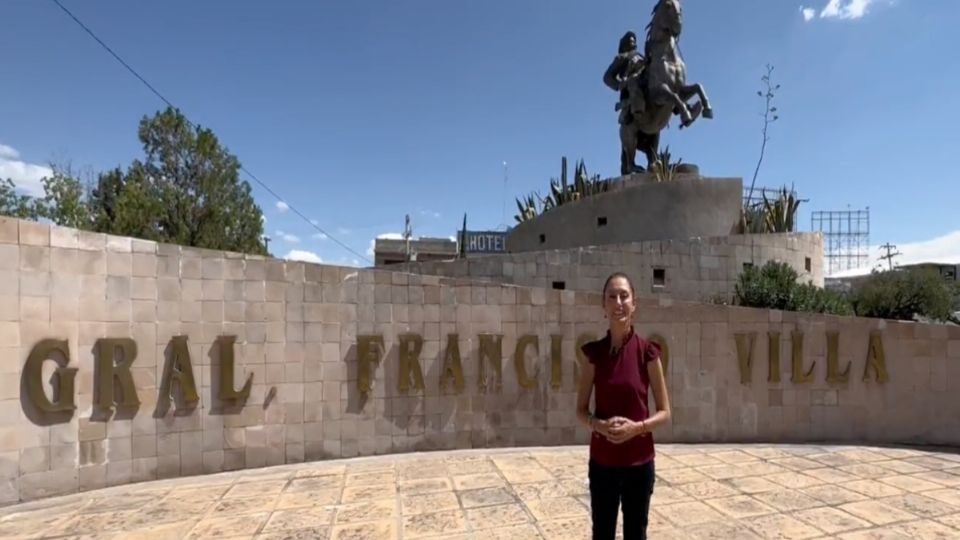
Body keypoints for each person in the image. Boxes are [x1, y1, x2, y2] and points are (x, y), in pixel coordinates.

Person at [576, 272, 671, 540]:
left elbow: (665, 412)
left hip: (639, 465)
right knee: (602, 533)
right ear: (603, 305)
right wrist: (600, 425)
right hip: (602, 464)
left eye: (624, 296)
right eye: (612, 296)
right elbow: (580, 410)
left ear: (634, 302)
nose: (618, 302)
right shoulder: (594, 354)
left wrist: (637, 427)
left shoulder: (648, 352)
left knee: (636, 534)